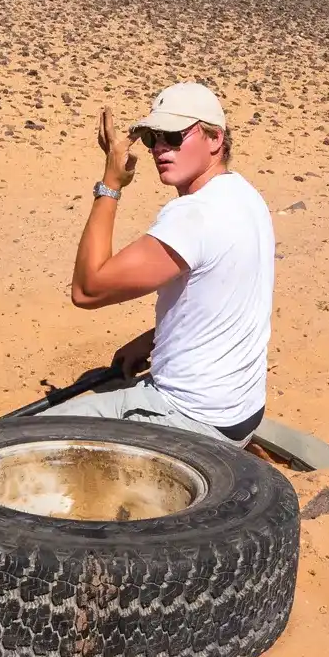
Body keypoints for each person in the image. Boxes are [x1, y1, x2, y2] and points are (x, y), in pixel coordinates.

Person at [57, 81, 275, 448]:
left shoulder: (194, 215)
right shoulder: (243, 195)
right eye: (153, 138)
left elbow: (88, 289)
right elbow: (219, 302)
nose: (160, 147)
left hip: (192, 417)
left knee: (30, 438)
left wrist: (111, 183)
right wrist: (153, 339)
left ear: (215, 139)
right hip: (240, 412)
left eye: (174, 136)